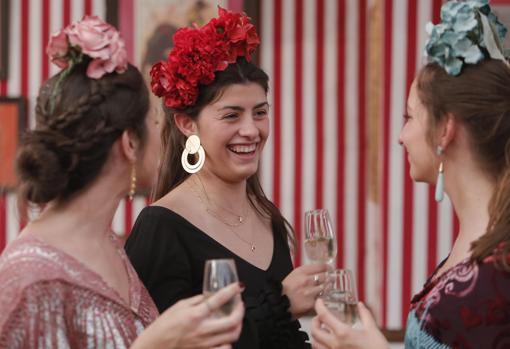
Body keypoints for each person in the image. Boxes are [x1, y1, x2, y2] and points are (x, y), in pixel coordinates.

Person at [0, 15, 244, 349]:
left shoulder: (111, 246)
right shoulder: (28, 280)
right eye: (156, 121)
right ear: (130, 143)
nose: (163, 139)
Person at [125, 7, 328, 349]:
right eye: (231, 115)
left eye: (260, 113)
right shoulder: (161, 227)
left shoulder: (267, 216)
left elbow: (282, 340)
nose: (251, 130)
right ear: (187, 124)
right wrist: (281, 304)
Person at [311, 1, 510, 348]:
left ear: (445, 128)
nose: (401, 137)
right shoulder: (482, 239)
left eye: (409, 117)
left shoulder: (499, 269)